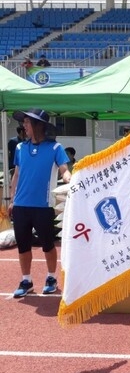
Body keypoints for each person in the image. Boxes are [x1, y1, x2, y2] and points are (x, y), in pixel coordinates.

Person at [9, 109, 71, 298]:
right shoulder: (20, 148)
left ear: (38, 125)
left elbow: (64, 170)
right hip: (21, 206)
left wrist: (71, 180)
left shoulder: (55, 148)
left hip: (44, 207)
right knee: (23, 246)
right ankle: (26, 280)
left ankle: (51, 277)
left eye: (27, 123)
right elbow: (17, 175)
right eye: (24, 123)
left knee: (47, 245)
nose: (24, 126)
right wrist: (12, 200)